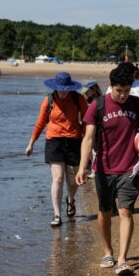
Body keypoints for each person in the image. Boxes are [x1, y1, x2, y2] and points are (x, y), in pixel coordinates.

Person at [75, 62, 139, 276]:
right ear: (110, 86)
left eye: (126, 90)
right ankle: (108, 251)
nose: (123, 95)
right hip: (104, 168)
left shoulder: (136, 104)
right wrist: (82, 167)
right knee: (105, 212)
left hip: (129, 169)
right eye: (118, 90)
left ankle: (123, 258)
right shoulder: (98, 105)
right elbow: (87, 139)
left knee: (125, 211)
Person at [26, 72, 88, 227]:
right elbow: (40, 123)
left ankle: (71, 200)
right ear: (55, 87)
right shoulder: (49, 100)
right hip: (54, 141)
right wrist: (31, 143)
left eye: (66, 89)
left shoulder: (78, 99)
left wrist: (90, 144)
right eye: (60, 89)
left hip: (74, 141)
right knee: (58, 178)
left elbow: (87, 123)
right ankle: (57, 214)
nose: (63, 91)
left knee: (73, 181)